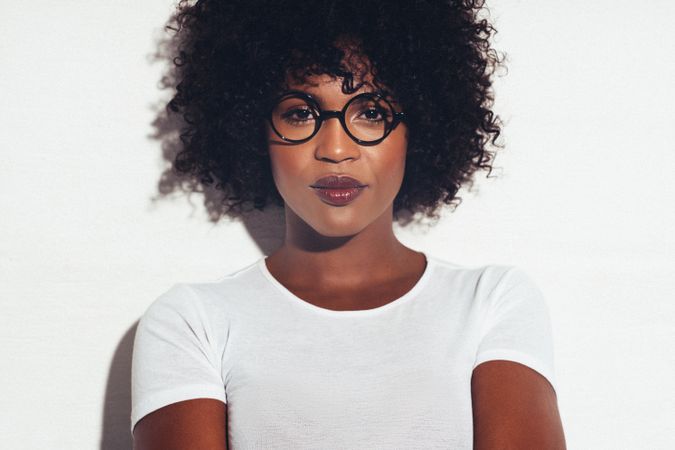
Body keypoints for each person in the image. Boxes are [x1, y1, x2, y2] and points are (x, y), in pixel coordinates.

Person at [131, 0, 566, 448]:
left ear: (417, 129)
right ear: (252, 129)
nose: (336, 149)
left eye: (372, 112)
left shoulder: (491, 303)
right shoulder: (193, 321)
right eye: (301, 113)